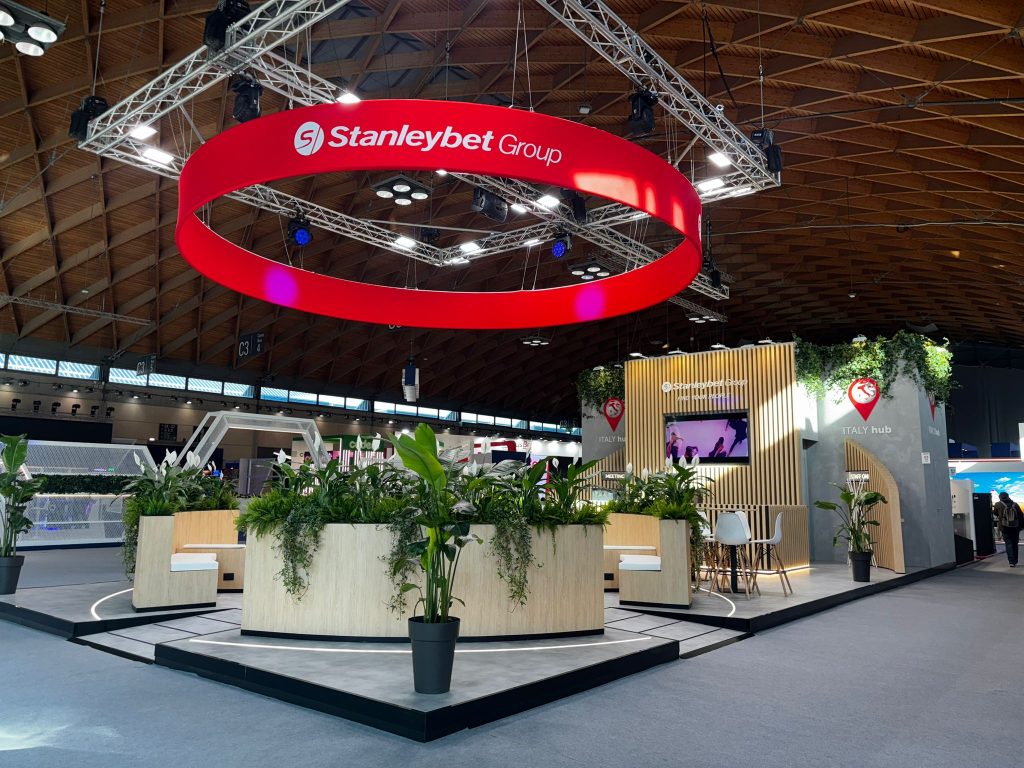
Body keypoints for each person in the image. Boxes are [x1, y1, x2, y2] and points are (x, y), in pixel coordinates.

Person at [994, 491, 1022, 567]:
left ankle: (1011, 562)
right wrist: (1020, 527)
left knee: (1008, 543)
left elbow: (995, 513)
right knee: (1015, 544)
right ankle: (1015, 560)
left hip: (1004, 527)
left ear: (1000, 497)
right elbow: (1020, 515)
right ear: (1008, 496)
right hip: (1015, 527)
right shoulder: (1015, 504)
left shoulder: (998, 504)